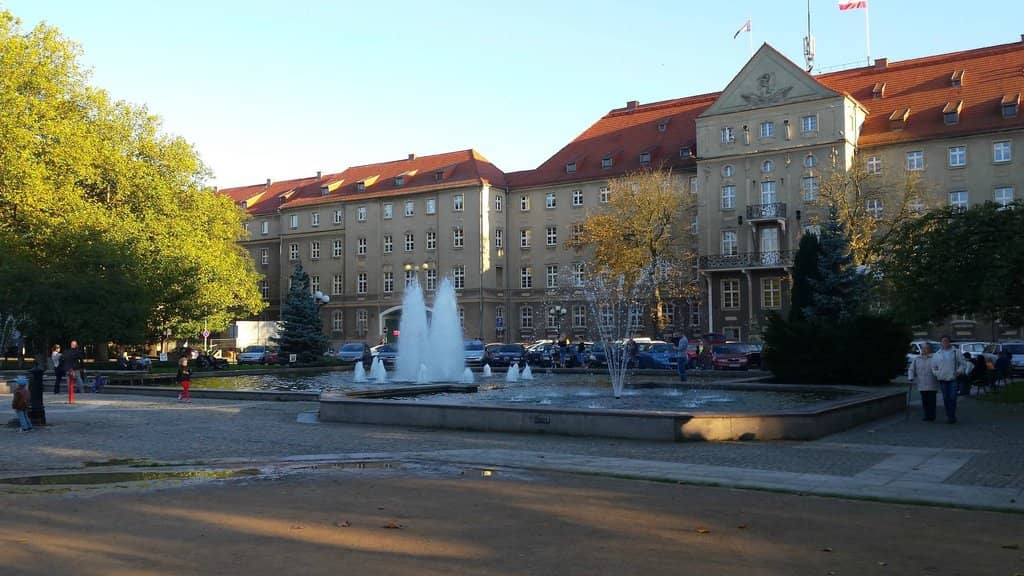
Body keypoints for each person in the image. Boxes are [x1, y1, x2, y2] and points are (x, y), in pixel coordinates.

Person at [931, 336, 968, 424]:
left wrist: (958, 372)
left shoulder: (956, 352)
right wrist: (937, 373)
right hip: (942, 378)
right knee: (945, 398)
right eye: (943, 341)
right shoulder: (937, 354)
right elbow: (933, 367)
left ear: (949, 342)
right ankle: (948, 414)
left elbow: (963, 364)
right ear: (941, 343)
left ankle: (952, 416)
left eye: (947, 341)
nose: (945, 343)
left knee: (953, 398)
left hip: (953, 378)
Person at [909, 342, 939, 421]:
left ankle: (932, 415)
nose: (924, 350)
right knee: (924, 400)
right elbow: (912, 369)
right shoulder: (917, 358)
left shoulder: (934, 358)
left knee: (931, 400)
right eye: (923, 348)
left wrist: (938, 375)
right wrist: (911, 377)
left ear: (929, 349)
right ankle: (926, 415)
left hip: (932, 383)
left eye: (926, 348)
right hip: (921, 383)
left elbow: (938, 368)